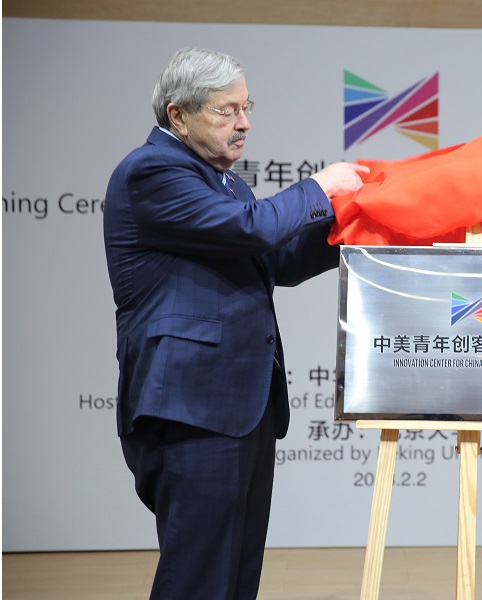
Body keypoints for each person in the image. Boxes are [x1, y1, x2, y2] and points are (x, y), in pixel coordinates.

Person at [103, 47, 368, 599]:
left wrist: (357, 226)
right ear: (178, 115)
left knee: (235, 576)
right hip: (191, 406)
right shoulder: (152, 171)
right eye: (226, 111)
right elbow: (252, 231)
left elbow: (280, 262)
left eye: (247, 107)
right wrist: (321, 188)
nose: (244, 122)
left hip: (241, 406)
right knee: (198, 577)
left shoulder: (224, 183)